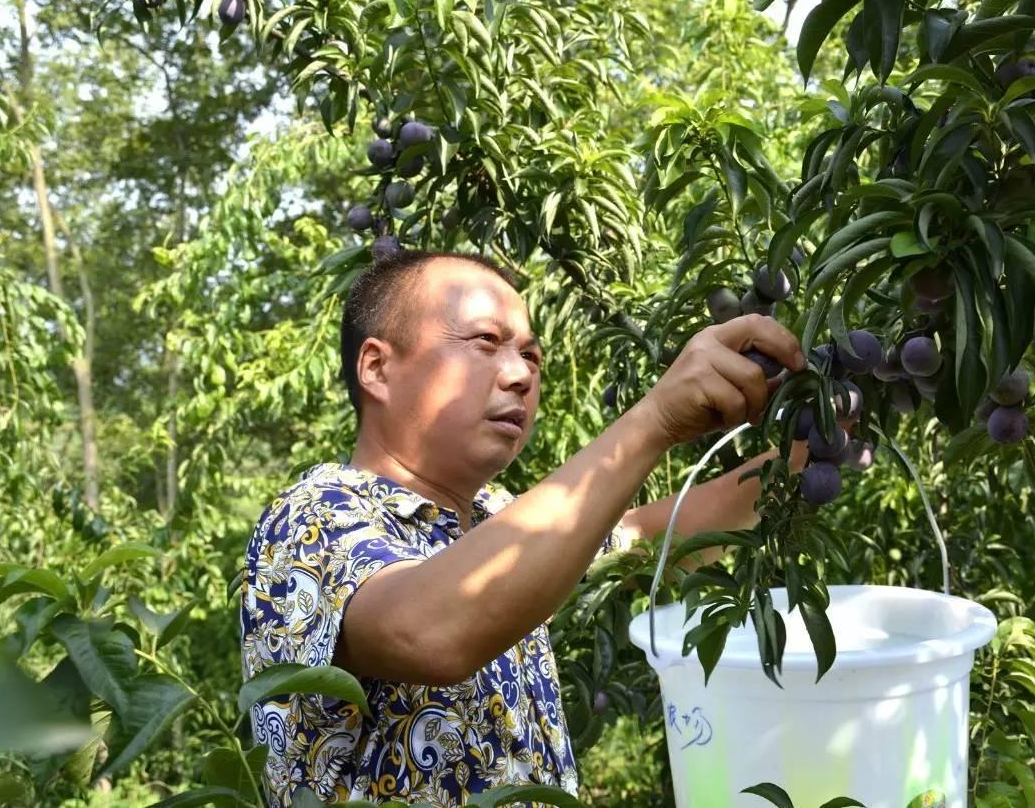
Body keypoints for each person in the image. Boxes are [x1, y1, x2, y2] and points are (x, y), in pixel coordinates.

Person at [239, 250, 808, 806]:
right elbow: (427, 631)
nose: (520, 376)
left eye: (532, 357)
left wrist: (802, 454)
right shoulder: (316, 513)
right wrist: (653, 421)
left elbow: (641, 540)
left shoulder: (492, 515)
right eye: (485, 342)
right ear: (378, 368)